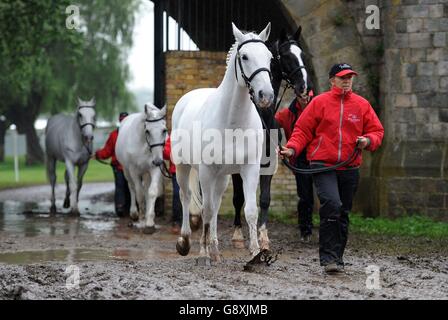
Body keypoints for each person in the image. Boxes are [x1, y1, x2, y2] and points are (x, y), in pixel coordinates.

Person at [278, 63, 384, 273]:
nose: (346, 81)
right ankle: (328, 259)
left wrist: (368, 141)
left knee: (343, 212)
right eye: (342, 77)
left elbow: (377, 131)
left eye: (350, 77)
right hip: (322, 164)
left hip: (350, 166)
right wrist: (291, 149)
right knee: (332, 205)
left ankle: (337, 258)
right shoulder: (319, 103)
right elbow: (302, 131)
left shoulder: (362, 105)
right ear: (332, 80)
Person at [275, 90, 315, 243]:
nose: (305, 100)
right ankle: (305, 229)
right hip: (300, 159)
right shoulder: (287, 114)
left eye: (307, 97)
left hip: (320, 158)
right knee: (305, 197)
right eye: (301, 97)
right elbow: (271, 123)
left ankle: (328, 229)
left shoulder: (320, 108)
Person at [93, 112, 131, 217]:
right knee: (122, 187)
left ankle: (125, 207)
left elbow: (107, 151)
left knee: (126, 187)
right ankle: (121, 207)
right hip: (119, 167)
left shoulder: (119, 134)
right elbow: (108, 150)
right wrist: (98, 154)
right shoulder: (114, 135)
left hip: (128, 167)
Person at [163, 134, 182, 234]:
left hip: (193, 172)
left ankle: (195, 219)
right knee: (176, 196)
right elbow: (166, 153)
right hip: (177, 171)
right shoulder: (173, 136)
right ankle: (177, 222)